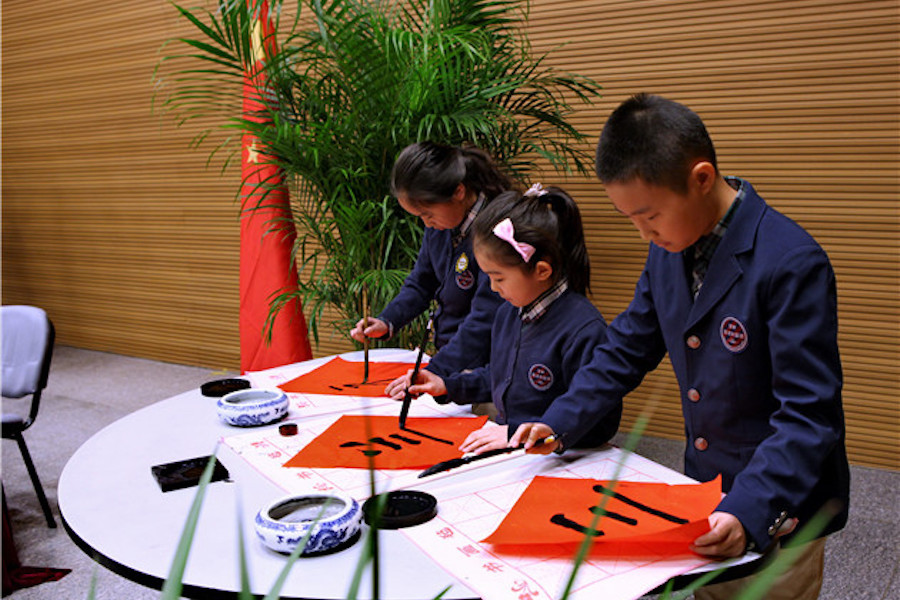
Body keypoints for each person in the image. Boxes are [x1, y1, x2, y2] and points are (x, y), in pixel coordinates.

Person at [511, 94, 849, 600]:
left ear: (702, 178)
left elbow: (808, 414)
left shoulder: (791, 262)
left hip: (778, 500)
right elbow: (627, 345)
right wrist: (559, 420)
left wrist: (751, 506)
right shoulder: (668, 247)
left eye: (650, 215)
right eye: (631, 219)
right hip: (707, 491)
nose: (644, 232)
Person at [394, 184, 621, 454]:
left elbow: (600, 420)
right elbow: (502, 377)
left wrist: (521, 432)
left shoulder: (583, 329)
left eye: (498, 277)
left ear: (542, 270)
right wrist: (448, 386)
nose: (491, 288)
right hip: (511, 446)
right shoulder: (508, 312)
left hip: (564, 456)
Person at [350, 142, 508, 383]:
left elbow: (486, 317)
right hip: (450, 361)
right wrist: (387, 320)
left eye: (428, 214)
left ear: (458, 192)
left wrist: (437, 369)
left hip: (488, 369)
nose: (426, 223)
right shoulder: (443, 224)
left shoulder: (498, 230)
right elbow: (422, 282)